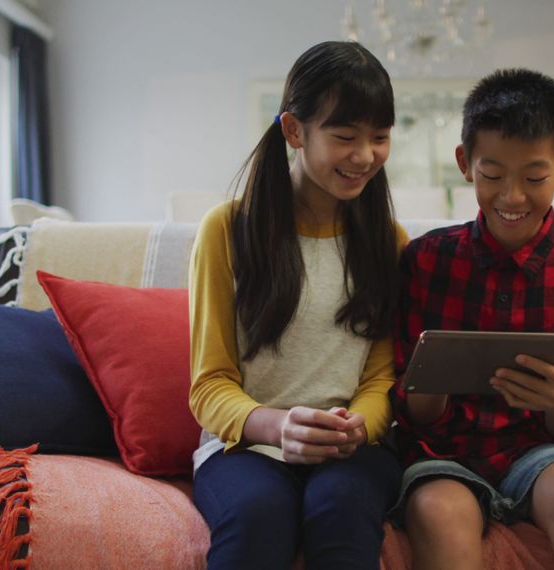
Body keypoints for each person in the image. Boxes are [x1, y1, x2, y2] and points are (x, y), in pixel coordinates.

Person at [389, 68, 554, 569]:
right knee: (438, 508)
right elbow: (406, 412)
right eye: (493, 175)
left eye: (534, 177)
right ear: (465, 164)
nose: (512, 197)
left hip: (541, 451)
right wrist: (428, 389)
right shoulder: (424, 260)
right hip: (444, 455)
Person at [188, 40, 406, 569]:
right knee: (260, 512)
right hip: (244, 448)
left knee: (341, 505)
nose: (365, 156)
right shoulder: (227, 231)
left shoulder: (388, 242)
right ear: (293, 130)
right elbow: (208, 385)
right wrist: (278, 427)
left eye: (379, 138)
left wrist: (358, 425)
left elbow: (382, 379)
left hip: (353, 451)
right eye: (345, 137)